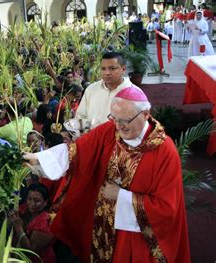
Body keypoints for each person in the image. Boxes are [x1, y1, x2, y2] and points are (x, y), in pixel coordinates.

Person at [23, 86, 190, 262]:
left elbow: (166, 209)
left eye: (125, 120)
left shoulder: (165, 152)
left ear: (146, 114)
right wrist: (39, 159)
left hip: (133, 235)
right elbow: (78, 151)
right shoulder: (110, 130)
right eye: (115, 119)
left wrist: (122, 196)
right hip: (101, 226)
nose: (119, 126)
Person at [76, 52, 133, 126]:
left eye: (112, 68)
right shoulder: (91, 89)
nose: (107, 73)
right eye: (103, 69)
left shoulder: (132, 93)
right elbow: (80, 116)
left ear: (123, 69)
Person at [9, 183, 56, 263]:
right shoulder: (24, 209)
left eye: (37, 201)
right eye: (29, 199)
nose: (32, 203)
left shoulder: (45, 222)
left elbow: (30, 252)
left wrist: (18, 227)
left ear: (45, 202)